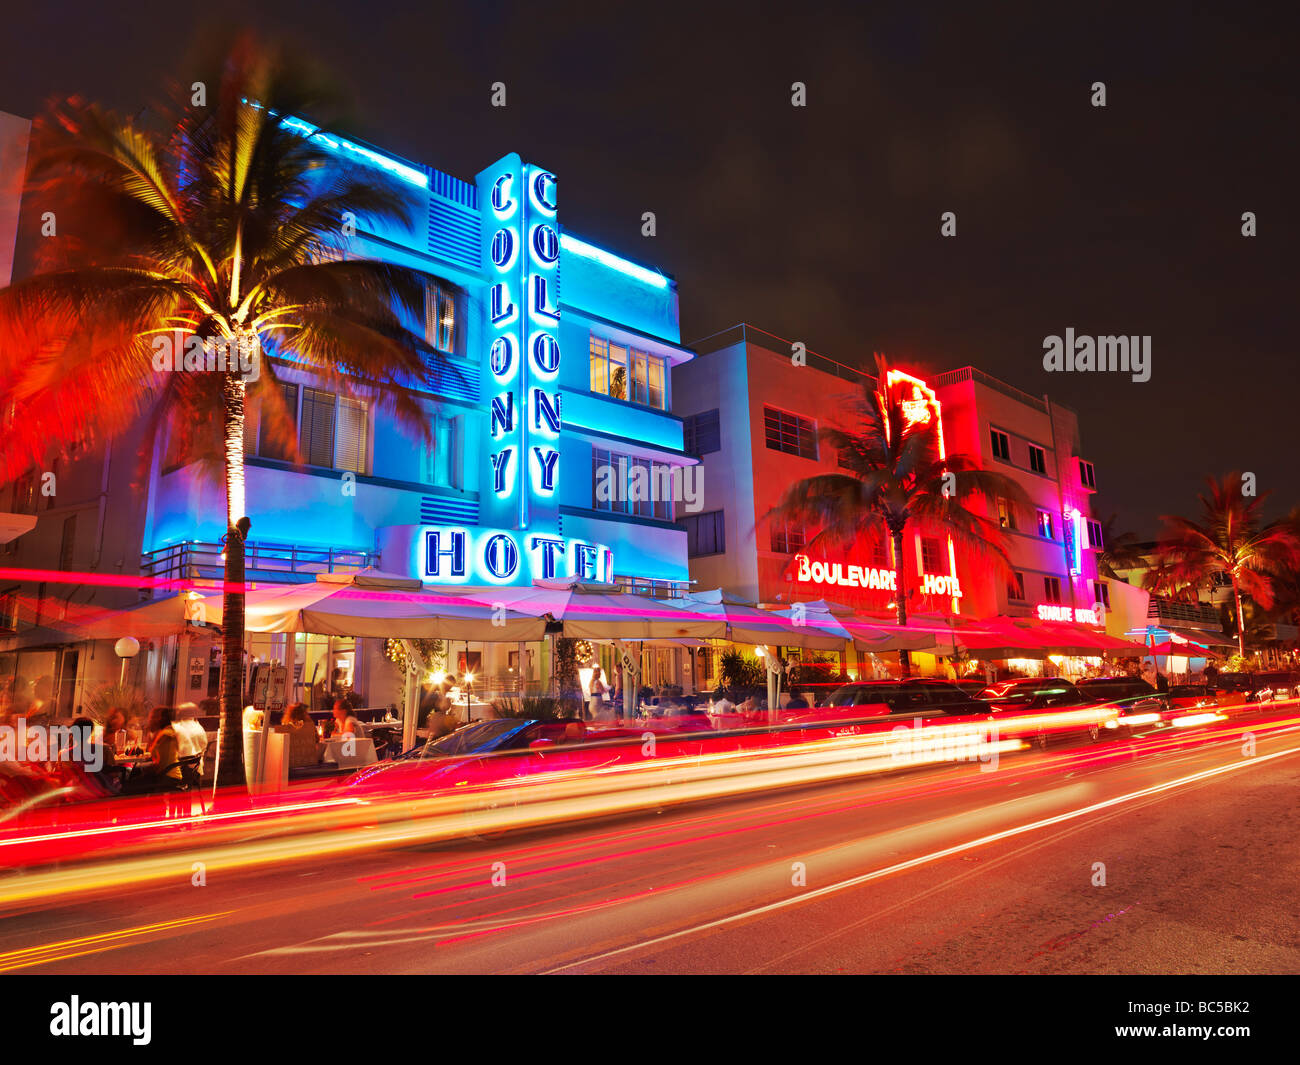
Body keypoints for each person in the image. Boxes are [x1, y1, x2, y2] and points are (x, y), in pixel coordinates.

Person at [279, 703, 322, 768]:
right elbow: (317, 739)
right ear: (304, 713)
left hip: (289, 762)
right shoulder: (309, 725)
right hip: (308, 760)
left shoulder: (285, 726)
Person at [172, 702, 210, 769]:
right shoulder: (199, 727)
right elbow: (204, 746)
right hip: (196, 768)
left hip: (179, 768)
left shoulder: (176, 727)